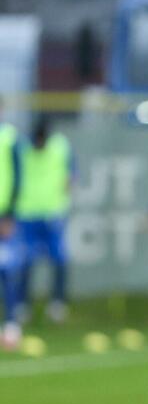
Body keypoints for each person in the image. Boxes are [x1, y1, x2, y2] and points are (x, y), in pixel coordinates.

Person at [15, 115, 74, 323]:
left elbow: (71, 173)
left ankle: (57, 303)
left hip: (53, 213)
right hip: (27, 213)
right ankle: (22, 305)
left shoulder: (61, 147)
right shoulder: (21, 148)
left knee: (60, 259)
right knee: (25, 261)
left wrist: (66, 188)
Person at [0, 112, 22, 349]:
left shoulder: (8, 137)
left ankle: (11, 325)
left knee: (6, 270)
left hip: (2, 214)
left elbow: (18, 176)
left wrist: (9, 214)